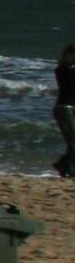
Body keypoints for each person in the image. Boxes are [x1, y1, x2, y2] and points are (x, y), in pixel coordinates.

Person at [53, 44, 75, 178]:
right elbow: (70, 84)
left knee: (71, 143)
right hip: (63, 109)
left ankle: (64, 167)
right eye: (73, 55)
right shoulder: (62, 70)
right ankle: (64, 166)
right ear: (67, 55)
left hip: (70, 109)